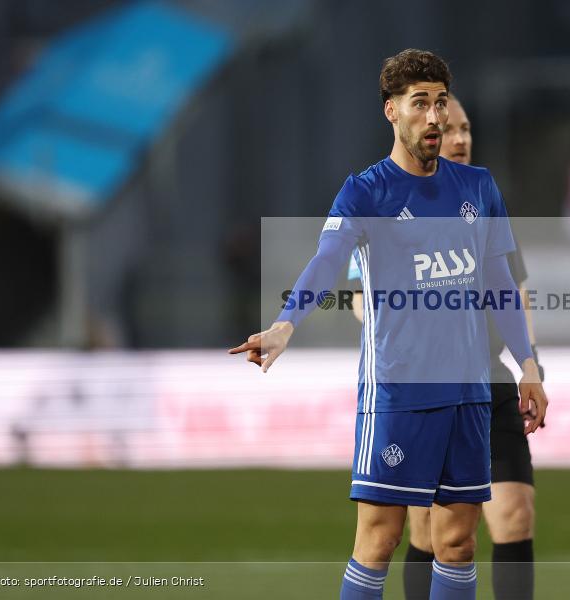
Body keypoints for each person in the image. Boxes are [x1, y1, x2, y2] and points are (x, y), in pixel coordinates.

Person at [229, 49, 547, 600]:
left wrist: (529, 366)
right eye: (419, 103)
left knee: (459, 545)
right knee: (379, 540)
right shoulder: (365, 191)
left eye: (440, 103)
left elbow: (500, 285)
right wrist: (286, 324)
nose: (434, 117)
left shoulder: (478, 188)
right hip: (398, 394)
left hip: (470, 395)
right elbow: (328, 258)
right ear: (391, 111)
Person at [349, 96, 540, 600]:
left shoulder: (483, 200)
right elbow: (356, 297)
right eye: (447, 127)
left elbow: (512, 291)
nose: (457, 137)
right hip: (420, 386)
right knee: (420, 535)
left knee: (513, 515)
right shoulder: (386, 201)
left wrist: (530, 365)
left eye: (465, 128)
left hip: (486, 385)